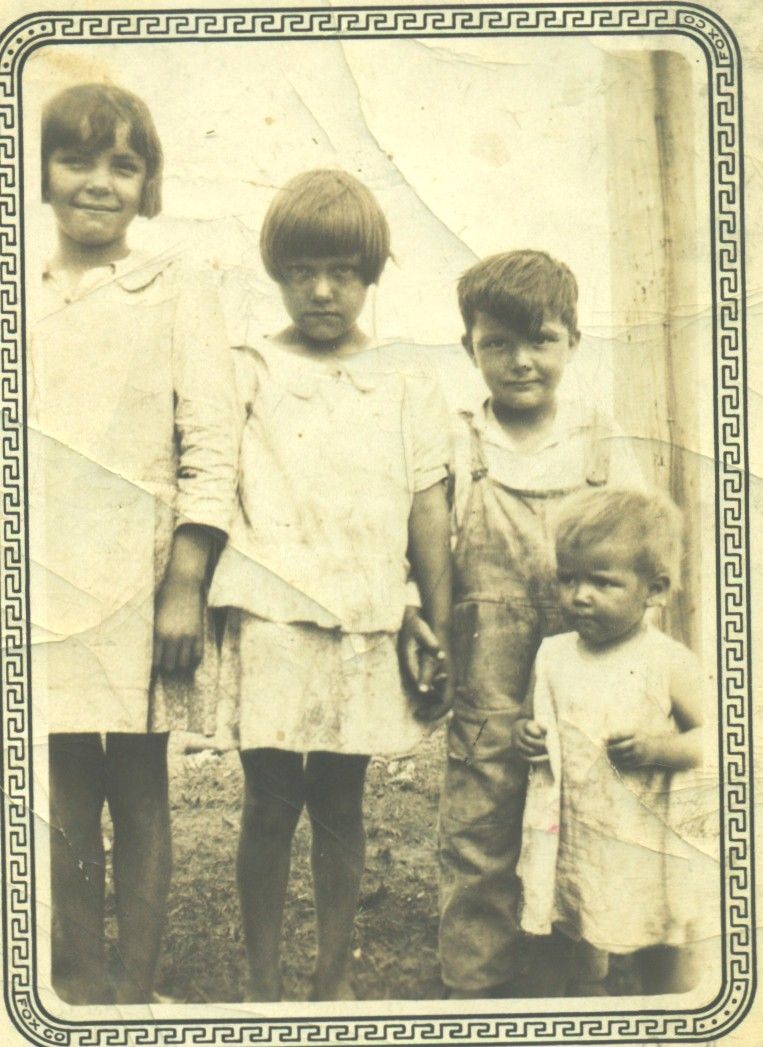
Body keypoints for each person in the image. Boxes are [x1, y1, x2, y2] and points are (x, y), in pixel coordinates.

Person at [208, 169, 452, 1002]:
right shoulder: (247, 370)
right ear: (276, 271)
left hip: (363, 619)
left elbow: (426, 507)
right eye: (302, 270)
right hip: (271, 615)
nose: (322, 290)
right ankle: (263, 980)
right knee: (270, 800)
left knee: (341, 801)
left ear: (370, 273)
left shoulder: (405, 379)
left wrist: (433, 620)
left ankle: (333, 974)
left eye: (342, 271)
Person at [29, 83, 238, 1004]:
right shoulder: (25, 294)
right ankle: (78, 984)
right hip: (46, 578)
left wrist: (185, 579)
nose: (98, 182)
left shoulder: (178, 287)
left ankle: (138, 987)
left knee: (140, 783)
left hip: (143, 578)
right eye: (76, 159)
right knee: (65, 784)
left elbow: (211, 443)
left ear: (147, 182)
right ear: (41, 173)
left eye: (123, 164)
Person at [405, 250, 644, 999]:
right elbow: (423, 546)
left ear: (572, 340)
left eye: (540, 340)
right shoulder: (459, 440)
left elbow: (640, 553)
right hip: (488, 670)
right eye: (497, 343)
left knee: (584, 811)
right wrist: (423, 621)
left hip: (586, 671)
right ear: (469, 347)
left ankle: (577, 968)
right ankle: (475, 977)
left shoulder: (600, 441)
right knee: (480, 818)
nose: (520, 361)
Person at [514, 486, 705, 995]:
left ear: (654, 590)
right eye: (568, 579)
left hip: (642, 836)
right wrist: (525, 735)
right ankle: (574, 1001)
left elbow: (719, 740)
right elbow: (533, 718)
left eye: (602, 582)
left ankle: (675, 1008)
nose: (579, 596)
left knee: (658, 937)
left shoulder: (667, 662)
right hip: (573, 829)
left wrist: (660, 749)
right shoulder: (553, 655)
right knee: (567, 913)